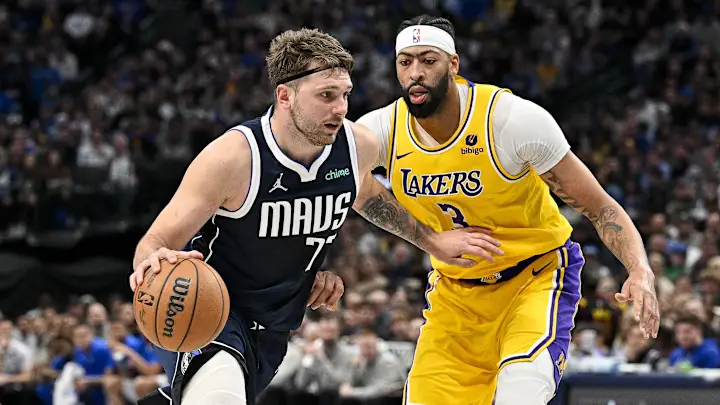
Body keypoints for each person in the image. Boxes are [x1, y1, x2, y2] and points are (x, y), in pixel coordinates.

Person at [128, 28, 501, 405]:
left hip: (275, 325)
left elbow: (367, 196)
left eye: (345, 95)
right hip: (208, 308)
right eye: (326, 95)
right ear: (285, 96)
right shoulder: (234, 158)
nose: (341, 108)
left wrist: (432, 240)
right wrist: (154, 264)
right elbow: (154, 243)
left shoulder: (356, 146)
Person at [356, 15, 660, 405]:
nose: (416, 73)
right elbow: (352, 187)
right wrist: (430, 240)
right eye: (405, 62)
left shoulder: (511, 121)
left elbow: (601, 208)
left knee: (521, 394)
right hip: (456, 295)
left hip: (534, 278)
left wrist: (639, 269)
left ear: (453, 64)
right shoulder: (381, 129)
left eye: (428, 60)